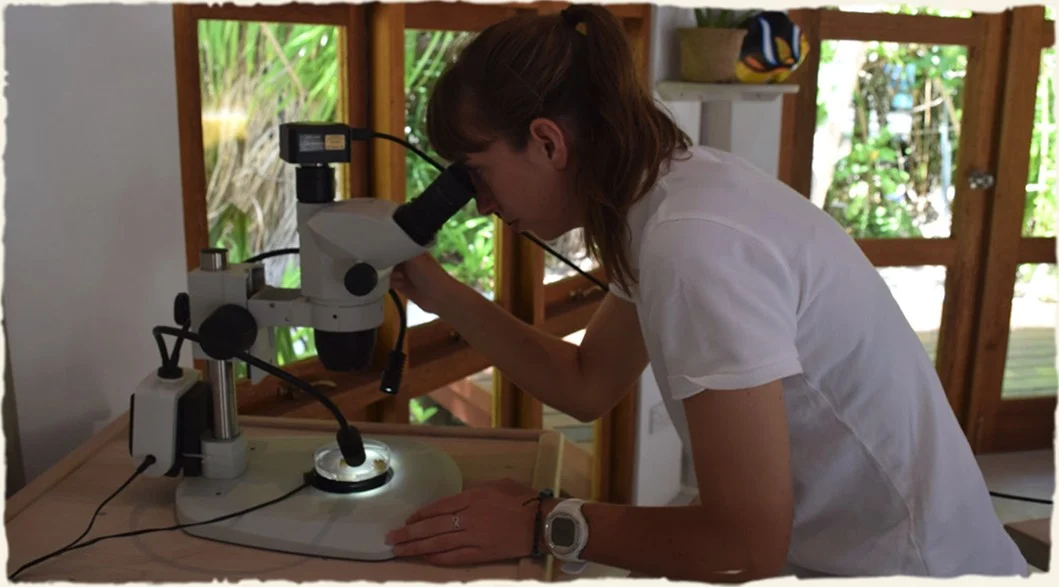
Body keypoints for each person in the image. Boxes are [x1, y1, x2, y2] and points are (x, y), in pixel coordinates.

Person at [383, 4, 1028, 582]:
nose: (480, 205)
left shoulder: (692, 245)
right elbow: (586, 382)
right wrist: (445, 295)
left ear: (548, 142)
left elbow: (744, 547)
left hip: (916, 568)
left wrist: (537, 522)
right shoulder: (669, 190)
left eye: (478, 174)